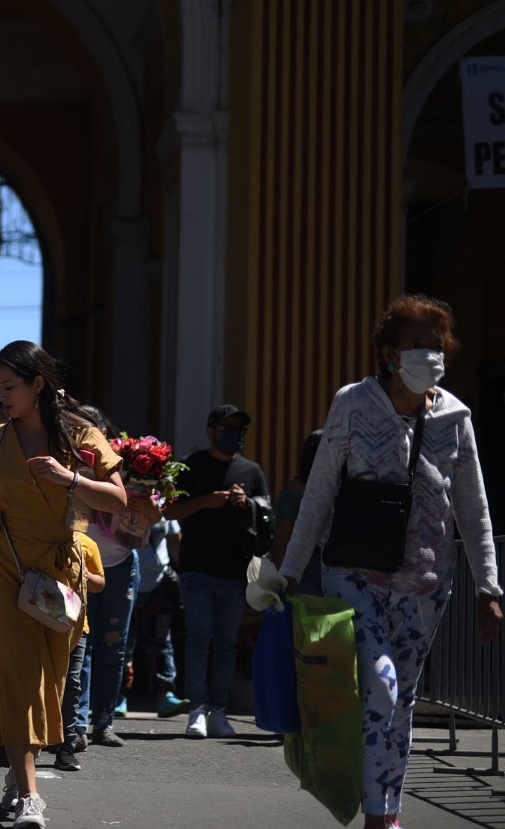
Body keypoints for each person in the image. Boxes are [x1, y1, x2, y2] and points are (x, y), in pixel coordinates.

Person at [280, 294, 502, 829]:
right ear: (387, 353)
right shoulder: (353, 404)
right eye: (416, 347)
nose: (430, 356)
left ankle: (385, 811)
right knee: (381, 686)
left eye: (436, 346)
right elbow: (320, 490)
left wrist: (489, 587)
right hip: (354, 573)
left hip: (425, 583)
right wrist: (288, 571)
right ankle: (378, 813)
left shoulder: (456, 418)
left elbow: (472, 506)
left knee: (400, 701)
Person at [0, 340, 127, 829]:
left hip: (61, 569)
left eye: (10, 387)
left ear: (38, 384)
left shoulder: (81, 436)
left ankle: (20, 777)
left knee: (49, 683)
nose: (2, 398)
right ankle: (31, 794)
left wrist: (70, 479)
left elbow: (119, 501)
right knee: (19, 677)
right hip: (1, 564)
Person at [164, 403, 269, 740]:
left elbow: (267, 516)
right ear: (211, 431)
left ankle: (218, 710)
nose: (234, 435)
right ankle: (197, 708)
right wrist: (204, 502)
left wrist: (245, 504)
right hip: (197, 569)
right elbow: (170, 510)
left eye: (239, 429)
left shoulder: (251, 471)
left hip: (235, 571)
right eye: (227, 428)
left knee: (226, 644)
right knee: (199, 638)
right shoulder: (192, 466)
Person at [73, 404, 153, 750]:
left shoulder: (127, 466)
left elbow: (156, 514)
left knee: (112, 646)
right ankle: (76, 724)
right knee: (80, 645)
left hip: (120, 565)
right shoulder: (69, 460)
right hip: (80, 563)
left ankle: (103, 722)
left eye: (95, 430)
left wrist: (144, 503)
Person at [123, 518, 189, 718]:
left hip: (159, 584)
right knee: (122, 643)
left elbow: (175, 540)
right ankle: (117, 697)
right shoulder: (122, 501)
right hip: (125, 581)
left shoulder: (164, 503)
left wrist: (183, 578)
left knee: (161, 642)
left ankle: (165, 694)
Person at [56, 527, 105, 771]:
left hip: (77, 625)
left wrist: (81, 573)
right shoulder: (41, 538)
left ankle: (67, 744)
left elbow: (99, 583)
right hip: (43, 619)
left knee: (72, 684)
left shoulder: (87, 544)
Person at [269, 430, 325, 596]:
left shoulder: (338, 490)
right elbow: (281, 540)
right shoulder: (294, 493)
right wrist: (283, 582)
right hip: (304, 572)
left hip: (334, 570)